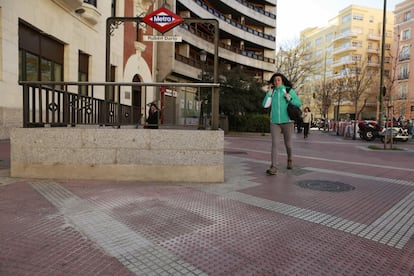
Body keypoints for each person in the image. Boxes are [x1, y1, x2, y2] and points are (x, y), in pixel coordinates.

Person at [262, 73, 302, 175]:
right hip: (275, 122)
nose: (276, 82)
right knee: (275, 144)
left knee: (288, 144)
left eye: (278, 80)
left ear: (282, 81)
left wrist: (289, 98)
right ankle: (274, 166)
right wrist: (269, 93)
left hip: (287, 122)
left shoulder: (288, 90)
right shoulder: (273, 92)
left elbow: (299, 103)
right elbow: (265, 105)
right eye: (275, 80)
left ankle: (290, 159)